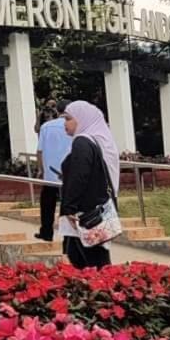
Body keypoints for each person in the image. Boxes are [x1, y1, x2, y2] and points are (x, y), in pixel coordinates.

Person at [58, 101, 117, 269]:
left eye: (69, 119)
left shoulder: (82, 142)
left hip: (86, 213)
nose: (65, 124)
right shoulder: (95, 140)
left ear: (82, 119)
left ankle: (106, 293)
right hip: (92, 208)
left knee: (95, 262)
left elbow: (80, 176)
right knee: (79, 255)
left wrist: (69, 207)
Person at [34, 100, 73, 241]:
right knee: (68, 204)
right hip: (69, 173)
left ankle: (46, 232)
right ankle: (68, 236)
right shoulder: (76, 126)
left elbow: (39, 151)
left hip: (50, 173)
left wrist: (40, 169)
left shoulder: (46, 127)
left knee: (47, 204)